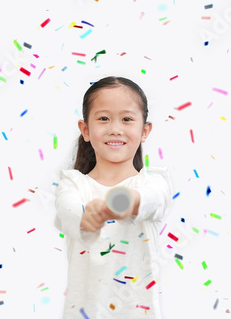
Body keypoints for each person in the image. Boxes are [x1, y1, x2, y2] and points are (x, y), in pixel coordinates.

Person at [55, 76, 173, 318]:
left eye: (127, 119)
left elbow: (152, 199)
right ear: (85, 130)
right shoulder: (74, 185)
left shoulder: (153, 183)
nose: (115, 129)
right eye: (103, 118)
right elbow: (69, 212)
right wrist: (87, 218)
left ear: (145, 130)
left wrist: (126, 202)